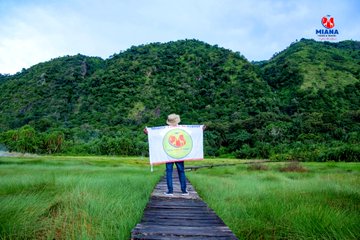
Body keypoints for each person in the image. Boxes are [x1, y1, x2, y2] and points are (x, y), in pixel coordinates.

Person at [144, 113, 206, 196]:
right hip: (179, 153)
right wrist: (200, 130)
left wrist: (148, 133)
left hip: (169, 153)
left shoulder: (165, 129)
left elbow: (157, 136)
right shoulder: (182, 129)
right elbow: (192, 134)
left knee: (169, 172)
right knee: (181, 171)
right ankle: (184, 191)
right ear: (177, 121)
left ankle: (170, 191)